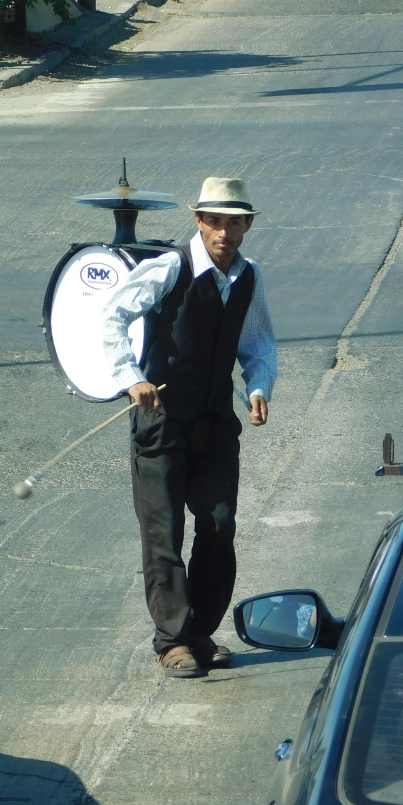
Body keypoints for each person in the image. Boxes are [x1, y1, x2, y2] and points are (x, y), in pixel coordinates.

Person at [102, 177, 278, 678]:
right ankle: (173, 640)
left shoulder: (249, 275)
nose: (224, 231)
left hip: (215, 420)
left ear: (246, 226)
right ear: (198, 222)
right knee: (163, 532)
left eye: (234, 222)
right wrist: (131, 378)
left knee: (219, 526)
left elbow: (258, 342)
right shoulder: (170, 268)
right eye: (214, 221)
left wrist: (259, 387)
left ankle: (200, 631)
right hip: (160, 421)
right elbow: (111, 314)